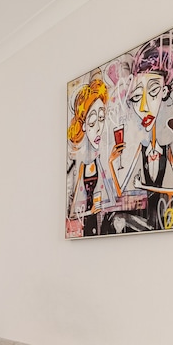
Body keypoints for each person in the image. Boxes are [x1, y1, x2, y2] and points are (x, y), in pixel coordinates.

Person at [109, 32, 173, 230]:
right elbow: (122, 194)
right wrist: (113, 163)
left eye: (153, 91)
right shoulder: (142, 148)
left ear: (164, 92)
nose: (144, 106)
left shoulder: (171, 144)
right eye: (137, 97)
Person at [66, 77, 119, 236]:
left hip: (104, 227)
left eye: (101, 120)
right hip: (87, 229)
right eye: (92, 122)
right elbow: (73, 212)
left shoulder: (100, 163)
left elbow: (114, 198)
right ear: (83, 125)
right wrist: (90, 211)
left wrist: (111, 163)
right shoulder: (79, 166)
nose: (98, 129)